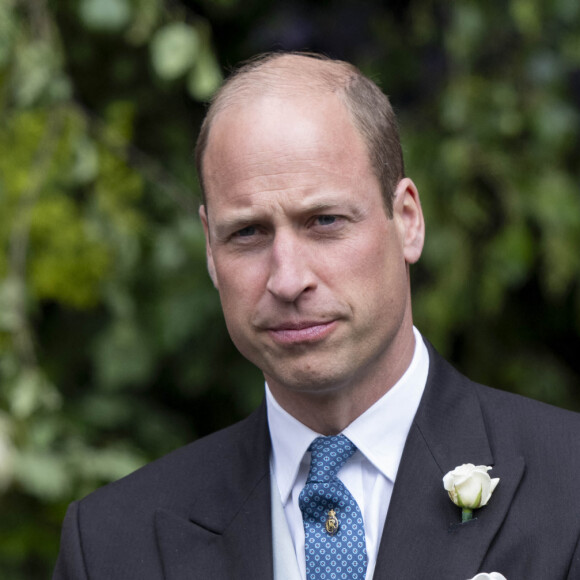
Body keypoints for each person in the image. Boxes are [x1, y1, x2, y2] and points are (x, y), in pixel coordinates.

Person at [53, 52, 580, 580]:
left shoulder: (568, 485)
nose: (287, 279)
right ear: (211, 254)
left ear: (408, 221)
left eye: (324, 221)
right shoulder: (111, 546)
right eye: (247, 233)